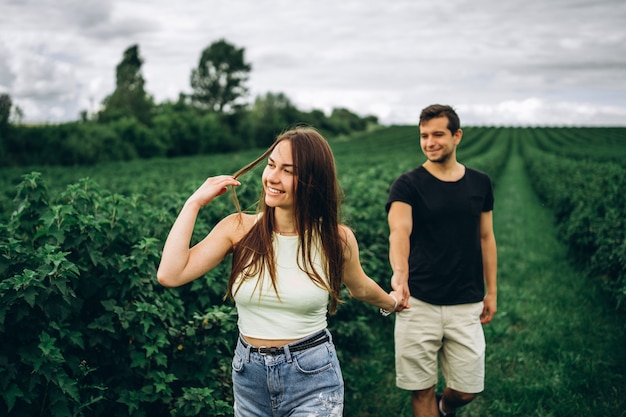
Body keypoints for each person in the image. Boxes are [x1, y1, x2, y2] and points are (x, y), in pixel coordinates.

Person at [157, 126, 401, 417]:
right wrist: (193, 203)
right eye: (271, 165)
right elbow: (170, 275)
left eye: (288, 170)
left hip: (312, 375)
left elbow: (360, 287)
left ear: (313, 180)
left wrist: (393, 302)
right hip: (249, 377)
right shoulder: (238, 229)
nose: (272, 177)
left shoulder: (335, 238)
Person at [386, 104, 497, 417]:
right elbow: (399, 234)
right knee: (420, 388)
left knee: (467, 388)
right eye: (424, 135)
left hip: (466, 300)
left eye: (438, 134)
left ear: (456, 136)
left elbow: (486, 238)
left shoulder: (479, 183)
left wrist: (492, 292)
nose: (430, 142)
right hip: (418, 300)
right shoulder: (407, 185)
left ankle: (445, 407)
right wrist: (400, 276)